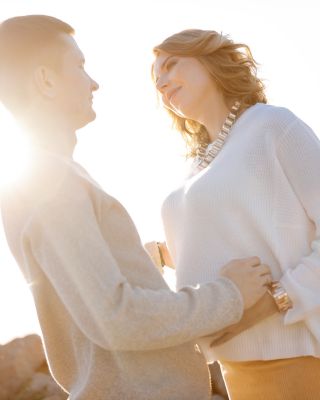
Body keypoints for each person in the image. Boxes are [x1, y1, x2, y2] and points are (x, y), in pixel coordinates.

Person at [0, 16, 272, 400]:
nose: (93, 82)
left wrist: (144, 266)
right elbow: (115, 318)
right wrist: (231, 294)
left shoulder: (49, 179)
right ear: (45, 80)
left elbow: (99, 304)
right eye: (79, 66)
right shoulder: (51, 181)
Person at [152, 29, 320, 400]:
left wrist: (277, 299)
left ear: (210, 59)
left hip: (293, 357)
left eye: (170, 65)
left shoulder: (272, 125)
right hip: (233, 369)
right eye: (155, 79)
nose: (161, 82)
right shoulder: (197, 166)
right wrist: (158, 256)